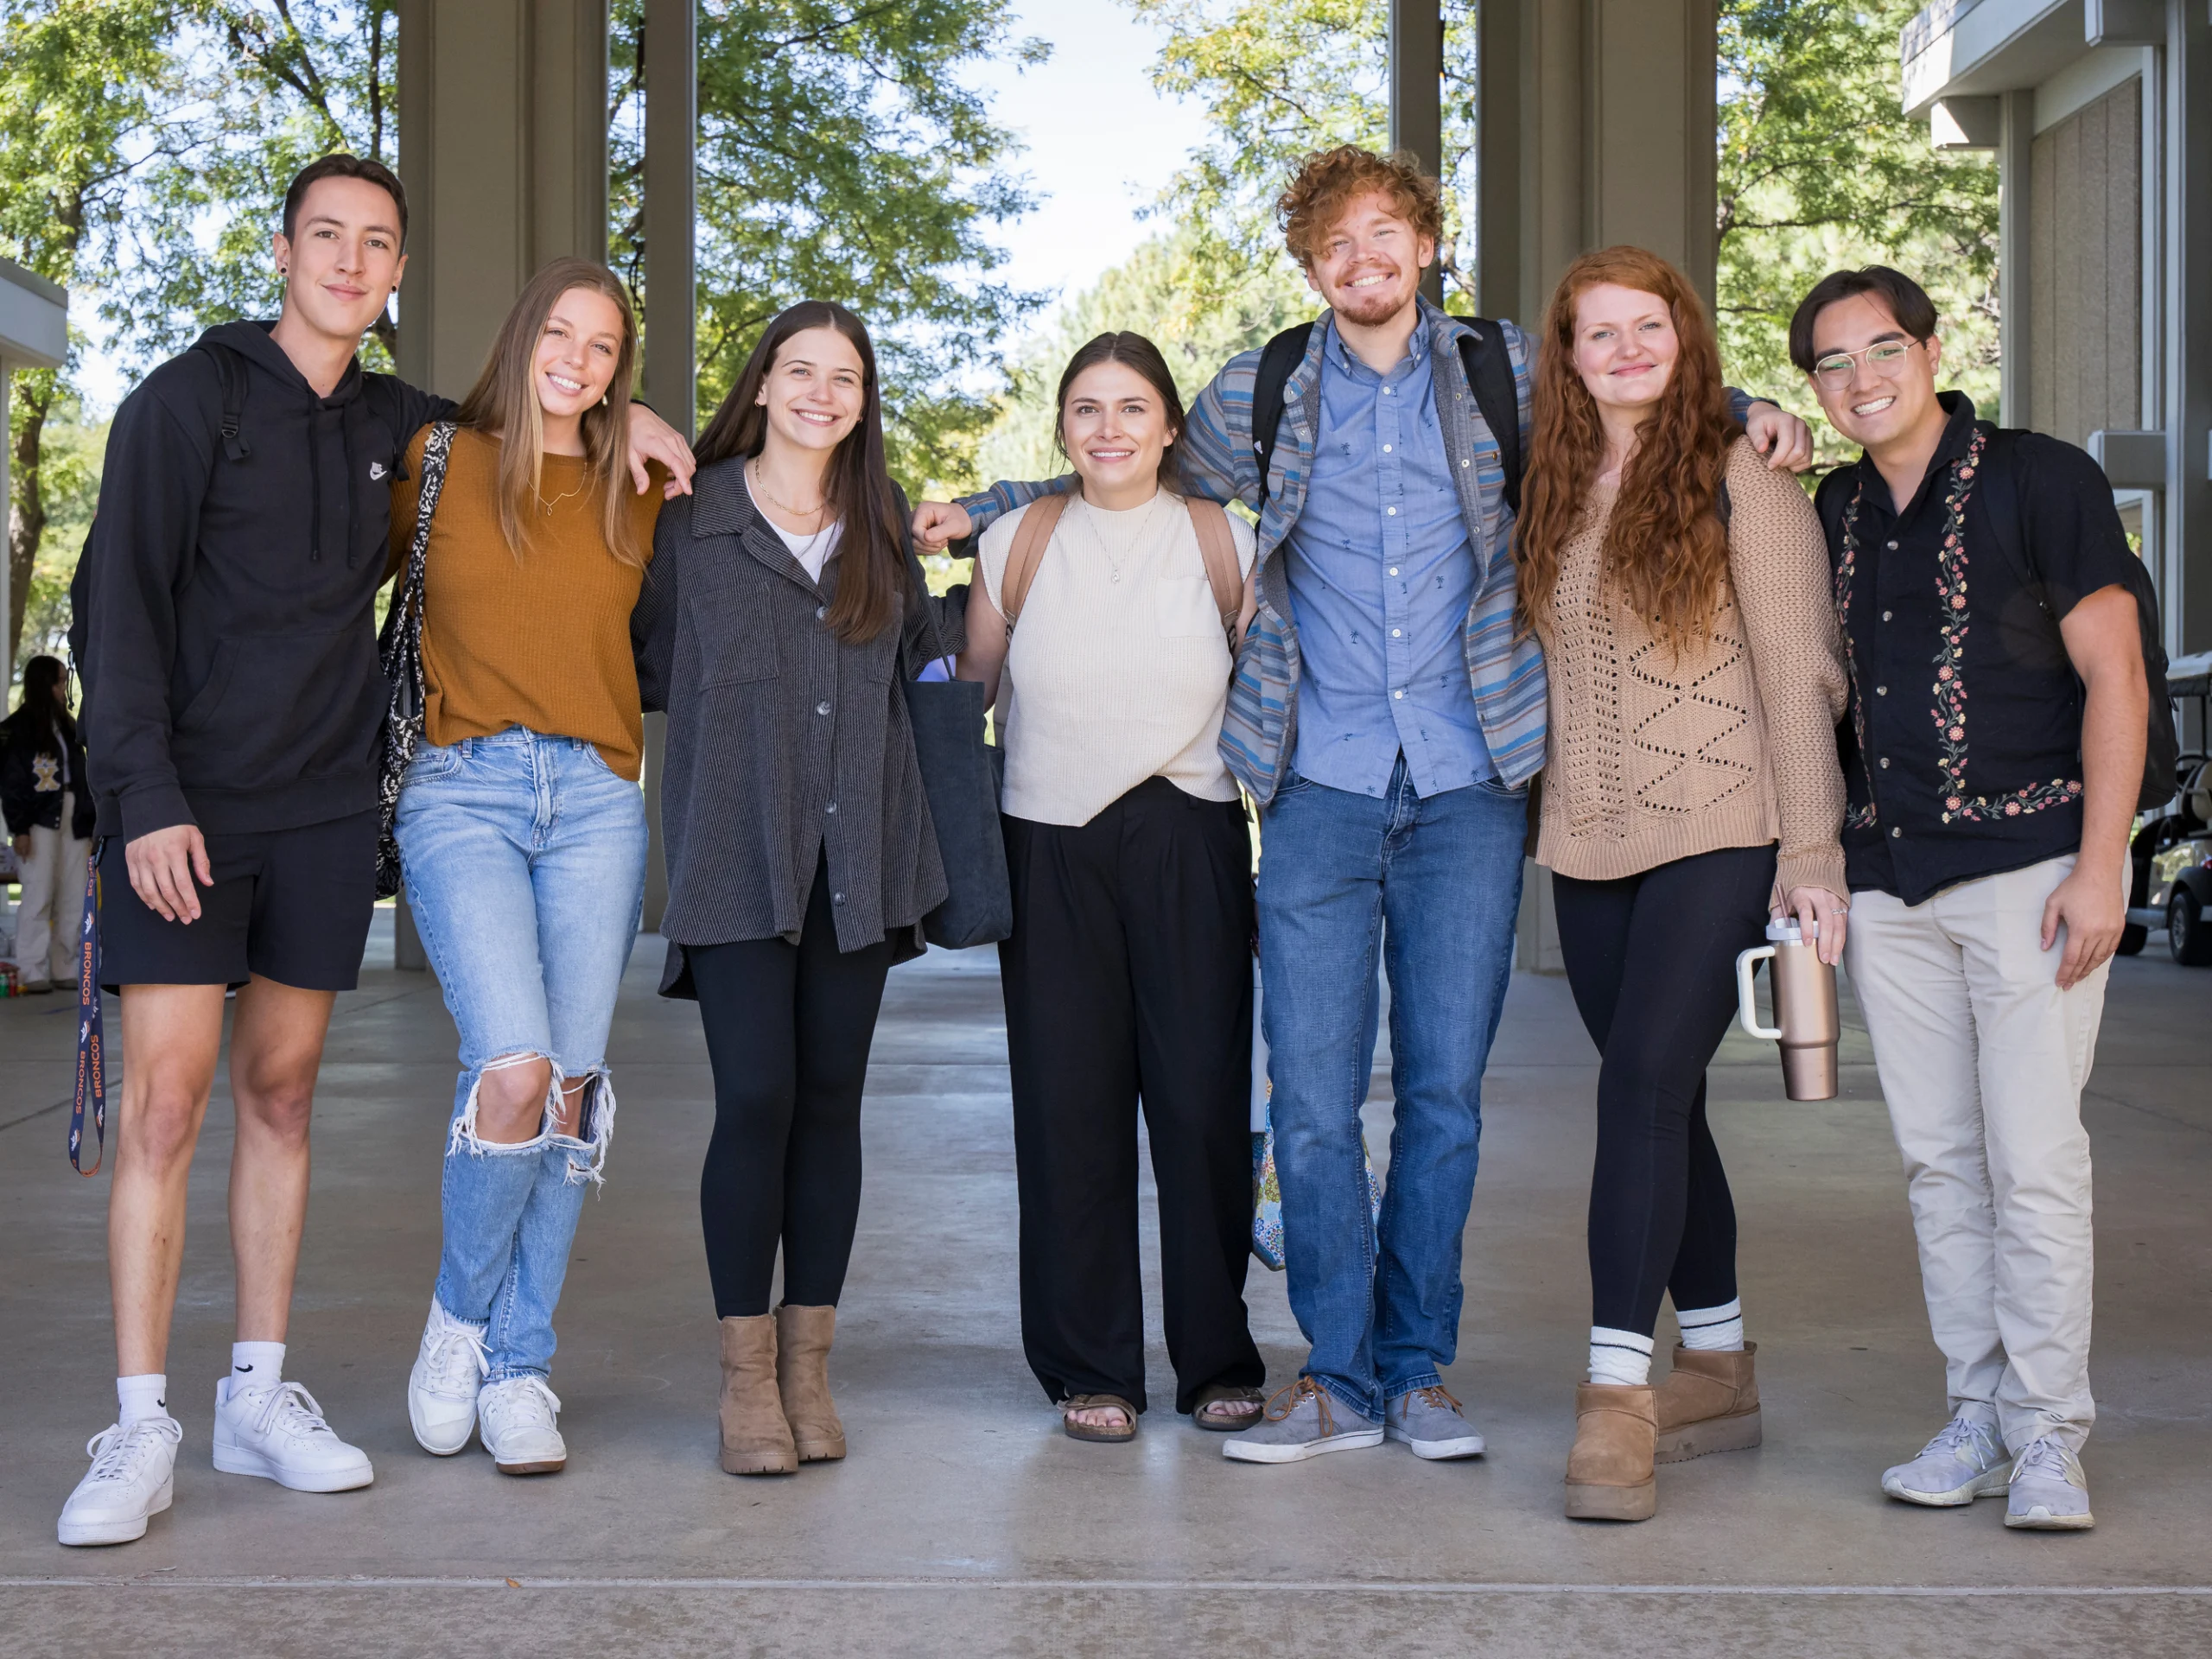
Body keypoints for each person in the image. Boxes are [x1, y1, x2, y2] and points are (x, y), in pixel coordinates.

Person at [916, 145, 1813, 1466]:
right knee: (1319, 1105)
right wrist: (988, 507)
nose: (1363, 261)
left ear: (1427, 246)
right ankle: (1333, 1376)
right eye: (1336, 244)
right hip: (1318, 790)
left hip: (1470, 787)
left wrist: (1752, 410)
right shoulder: (1262, 388)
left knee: (1445, 1098)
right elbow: (1121, 456)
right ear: (1311, 264)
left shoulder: (1508, 369)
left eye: (1385, 234)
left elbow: (1640, 383)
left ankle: (1419, 1370)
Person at [59, 153, 692, 1549]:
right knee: (171, 1112)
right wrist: (139, 791)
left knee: (289, 1100)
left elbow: (554, 446)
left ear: (399, 274)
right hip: (193, 811)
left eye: (378, 244)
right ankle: (140, 1422)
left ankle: (265, 1395)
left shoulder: (412, 430)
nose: (351, 261)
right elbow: (118, 602)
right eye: (328, 237)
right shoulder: (198, 403)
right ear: (286, 250)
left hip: (340, 812)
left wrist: (633, 403)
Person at [1794, 266, 2151, 1532]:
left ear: (1932, 349)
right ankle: (1980, 1416)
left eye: (1880, 347)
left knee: (2037, 1160)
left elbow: (2117, 677)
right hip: (1891, 882)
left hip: (2031, 873)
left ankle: (2053, 1434)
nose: (1860, 379)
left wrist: (2105, 863)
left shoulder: (2039, 478)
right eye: (1830, 365)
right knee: (1942, 1164)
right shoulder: (1830, 508)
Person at [1516, 248, 1847, 1521]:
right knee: (1665, 1098)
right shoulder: (1546, 487)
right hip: (1591, 839)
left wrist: (1809, 852)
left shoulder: (1741, 476)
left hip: (1724, 825)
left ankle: (1617, 1401)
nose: (1624, 350)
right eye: (1597, 334)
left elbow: (1799, 674)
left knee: (1640, 1083)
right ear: (1568, 356)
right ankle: (1718, 1360)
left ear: (1682, 335)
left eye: (1645, 326)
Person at [633, 300, 965, 1478]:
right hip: (735, 853)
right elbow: (625, 654)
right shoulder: (689, 519)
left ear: (863, 401)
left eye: (847, 377)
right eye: (801, 370)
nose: (824, 393)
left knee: (831, 1103)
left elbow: (928, 671)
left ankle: (809, 1369)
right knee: (757, 1099)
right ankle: (744, 1383)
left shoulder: (879, 526)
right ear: (763, 385)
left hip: (858, 862)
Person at [955, 331, 1267, 1442]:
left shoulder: (1225, 538)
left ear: (1169, 426)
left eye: (1132, 408)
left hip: (1189, 833)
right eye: (1086, 410)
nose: (1110, 429)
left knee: (1200, 1108)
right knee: (1067, 1110)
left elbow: (1270, 689)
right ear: (1061, 432)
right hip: (1047, 845)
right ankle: (1087, 1367)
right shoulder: (1016, 541)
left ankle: (1217, 1358)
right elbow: (969, 701)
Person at [391, 257, 661, 1478]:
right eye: (563, 333)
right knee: (513, 1067)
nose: (580, 361)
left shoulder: (639, 483)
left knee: (573, 1091)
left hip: (597, 802)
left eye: (605, 348)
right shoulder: (435, 463)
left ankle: (522, 1367)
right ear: (523, 338)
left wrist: (645, 429)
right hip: (464, 789)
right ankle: (459, 1319)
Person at [3, 655, 96, 991]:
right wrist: (20, 828)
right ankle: (31, 968)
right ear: (44, 684)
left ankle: (64, 966)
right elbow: (12, 782)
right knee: (38, 893)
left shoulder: (70, 727)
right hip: (39, 817)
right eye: (58, 681)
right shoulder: (18, 728)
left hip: (74, 815)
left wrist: (91, 825)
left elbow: (86, 778)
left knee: (73, 894)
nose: (62, 688)